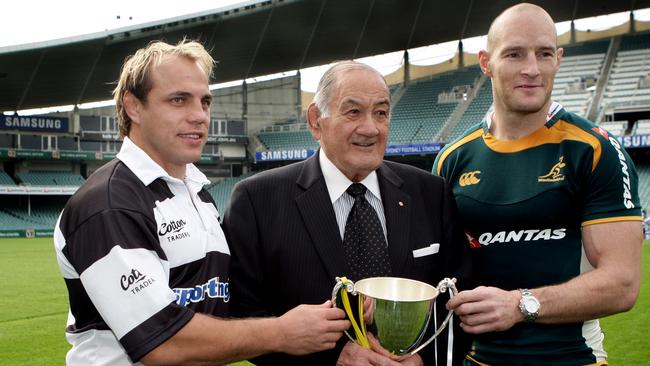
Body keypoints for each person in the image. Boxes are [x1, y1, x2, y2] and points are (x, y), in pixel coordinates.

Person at [53, 39, 349, 366]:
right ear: (133, 106)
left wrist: (344, 308)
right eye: (178, 100)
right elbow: (162, 342)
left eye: (205, 101)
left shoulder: (195, 191)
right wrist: (281, 332)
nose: (199, 116)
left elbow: (230, 301)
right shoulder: (108, 203)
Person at [433, 3, 643, 365]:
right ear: (486, 63)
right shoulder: (452, 159)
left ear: (558, 59)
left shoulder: (595, 149)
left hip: (572, 358)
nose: (531, 69)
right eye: (514, 54)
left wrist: (520, 305)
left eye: (544, 54)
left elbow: (622, 284)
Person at [223, 61, 472, 366]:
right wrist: (332, 358)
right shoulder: (256, 200)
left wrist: (423, 359)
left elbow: (460, 298)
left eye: (381, 113)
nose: (370, 128)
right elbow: (242, 312)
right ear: (316, 120)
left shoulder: (431, 193)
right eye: (353, 112)